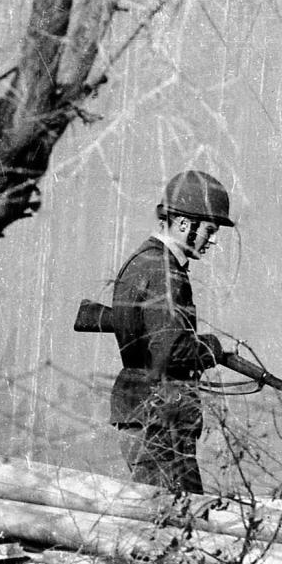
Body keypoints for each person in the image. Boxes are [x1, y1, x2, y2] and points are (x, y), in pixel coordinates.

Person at [108, 170, 234, 494]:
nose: (213, 240)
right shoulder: (164, 270)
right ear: (183, 223)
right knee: (177, 514)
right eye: (209, 230)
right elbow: (170, 349)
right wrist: (211, 348)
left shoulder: (145, 261)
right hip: (161, 418)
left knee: (174, 513)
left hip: (149, 413)